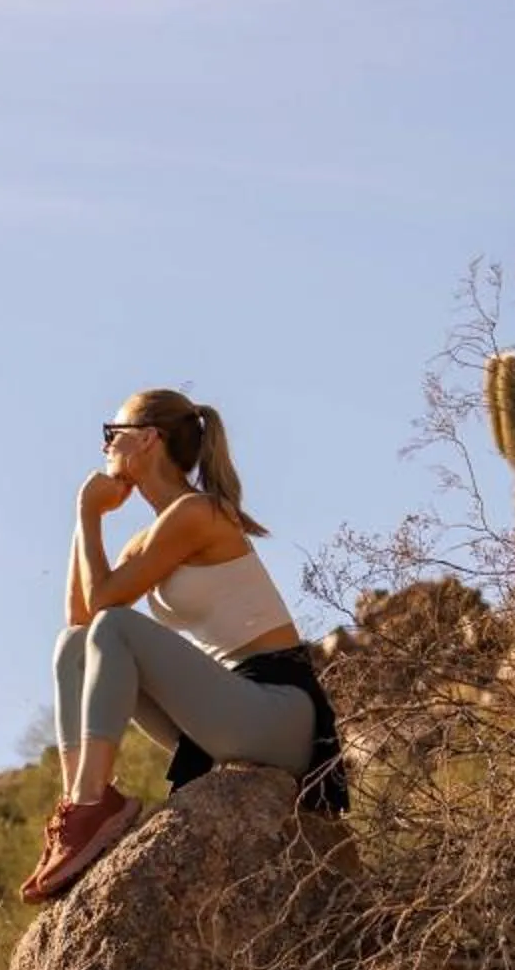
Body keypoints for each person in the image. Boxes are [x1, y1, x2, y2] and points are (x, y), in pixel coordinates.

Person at [20, 388, 347, 905]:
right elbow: (81, 619)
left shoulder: (197, 513)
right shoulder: (150, 538)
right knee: (74, 645)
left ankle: (90, 807)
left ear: (148, 439)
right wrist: (86, 521)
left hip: (278, 711)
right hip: (225, 713)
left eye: (113, 433)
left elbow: (106, 607)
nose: (105, 446)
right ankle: (82, 805)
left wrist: (88, 510)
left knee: (116, 627)